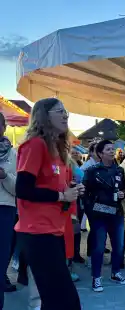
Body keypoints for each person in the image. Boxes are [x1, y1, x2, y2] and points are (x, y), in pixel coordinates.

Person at [15, 98, 83, 310]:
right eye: (59, 111)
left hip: (54, 230)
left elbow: (53, 188)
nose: (65, 115)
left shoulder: (57, 149)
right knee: (63, 301)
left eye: (66, 111)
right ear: (44, 115)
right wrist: (62, 196)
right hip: (37, 233)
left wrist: (70, 192)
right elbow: (23, 189)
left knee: (56, 299)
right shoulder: (36, 145)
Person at [82, 139, 125, 292]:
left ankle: (116, 273)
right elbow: (85, 194)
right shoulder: (92, 171)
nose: (111, 151)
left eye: (112, 149)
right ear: (100, 153)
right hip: (99, 214)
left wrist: (123, 193)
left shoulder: (119, 170)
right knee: (99, 247)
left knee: (119, 246)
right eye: (108, 149)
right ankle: (96, 277)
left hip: (116, 212)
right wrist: (91, 210)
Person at [0, 112, 17, 309]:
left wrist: (4, 176)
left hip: (5, 211)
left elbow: (18, 188)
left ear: (4, 127)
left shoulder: (14, 154)